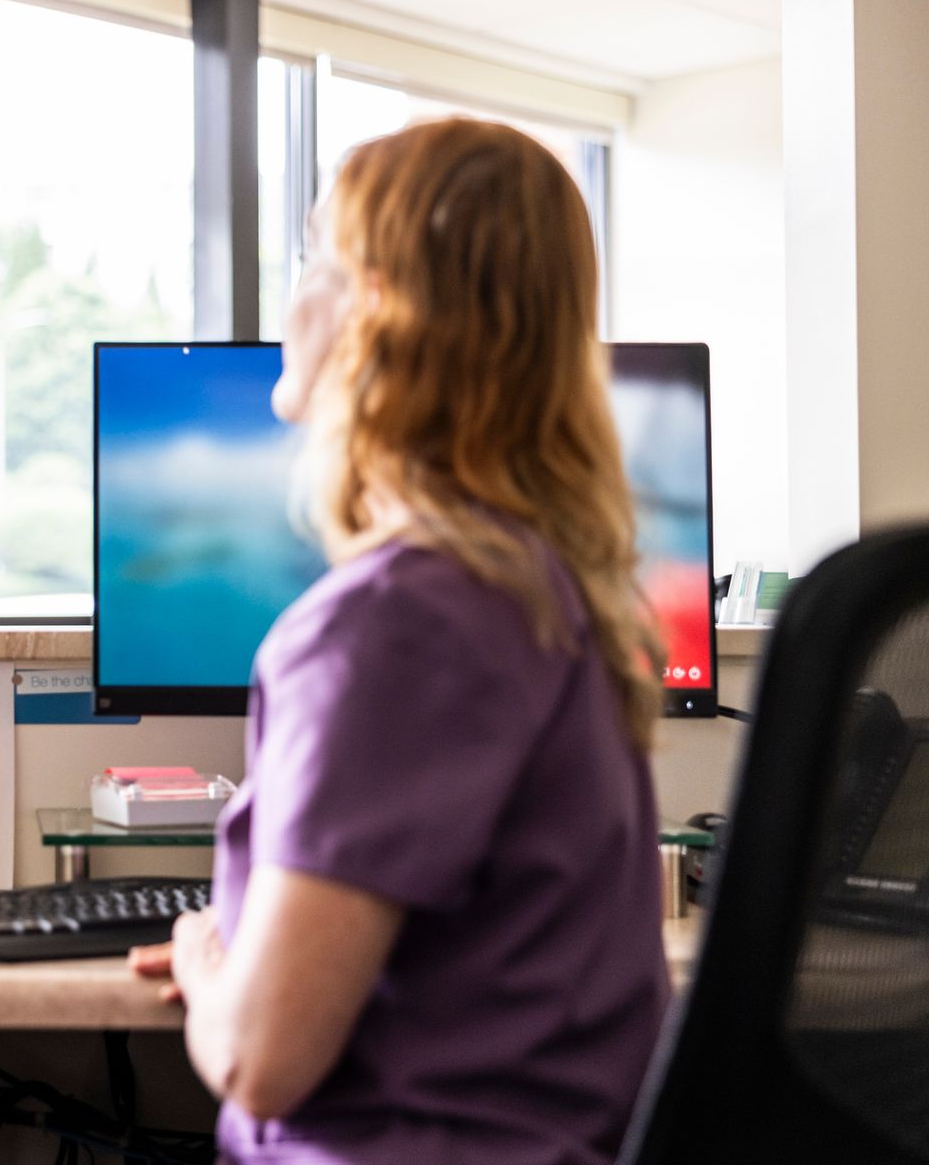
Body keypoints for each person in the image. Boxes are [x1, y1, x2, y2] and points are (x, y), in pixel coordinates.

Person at [131, 119, 669, 1165]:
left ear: (378, 307)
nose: (293, 302)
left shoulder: (393, 625)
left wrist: (206, 959)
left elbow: (259, 1059)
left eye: (312, 262)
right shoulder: (555, 594)